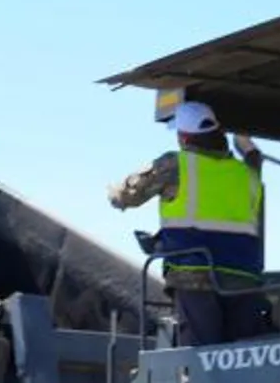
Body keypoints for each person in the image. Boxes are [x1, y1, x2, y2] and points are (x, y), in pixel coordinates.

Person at [108, 99, 265, 346]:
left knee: (199, 358)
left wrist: (114, 193)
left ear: (184, 137)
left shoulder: (175, 165)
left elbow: (126, 195)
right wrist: (250, 149)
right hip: (244, 278)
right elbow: (254, 164)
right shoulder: (246, 173)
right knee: (242, 357)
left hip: (196, 276)